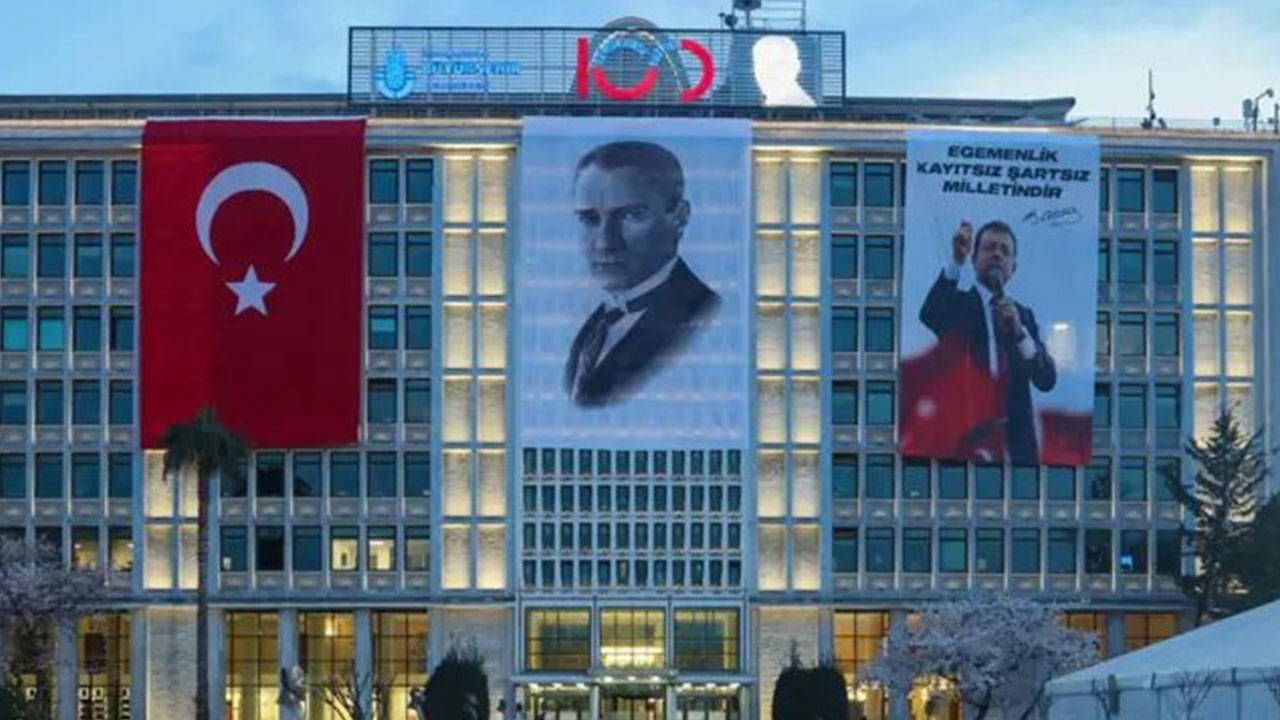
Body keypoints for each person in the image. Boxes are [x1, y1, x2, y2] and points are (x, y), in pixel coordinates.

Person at [563, 140, 720, 407]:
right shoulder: (596, 325)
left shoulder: (702, 314)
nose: (605, 243)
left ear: (680, 217)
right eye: (590, 219)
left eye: (631, 215)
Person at [918, 219, 1056, 464]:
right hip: (965, 432)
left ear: (1013, 267)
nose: (997, 255)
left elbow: (1046, 379)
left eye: (1005, 251)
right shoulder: (959, 304)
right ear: (974, 259)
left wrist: (1019, 334)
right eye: (989, 248)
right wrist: (956, 261)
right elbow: (931, 313)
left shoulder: (1023, 316)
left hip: (1015, 442)